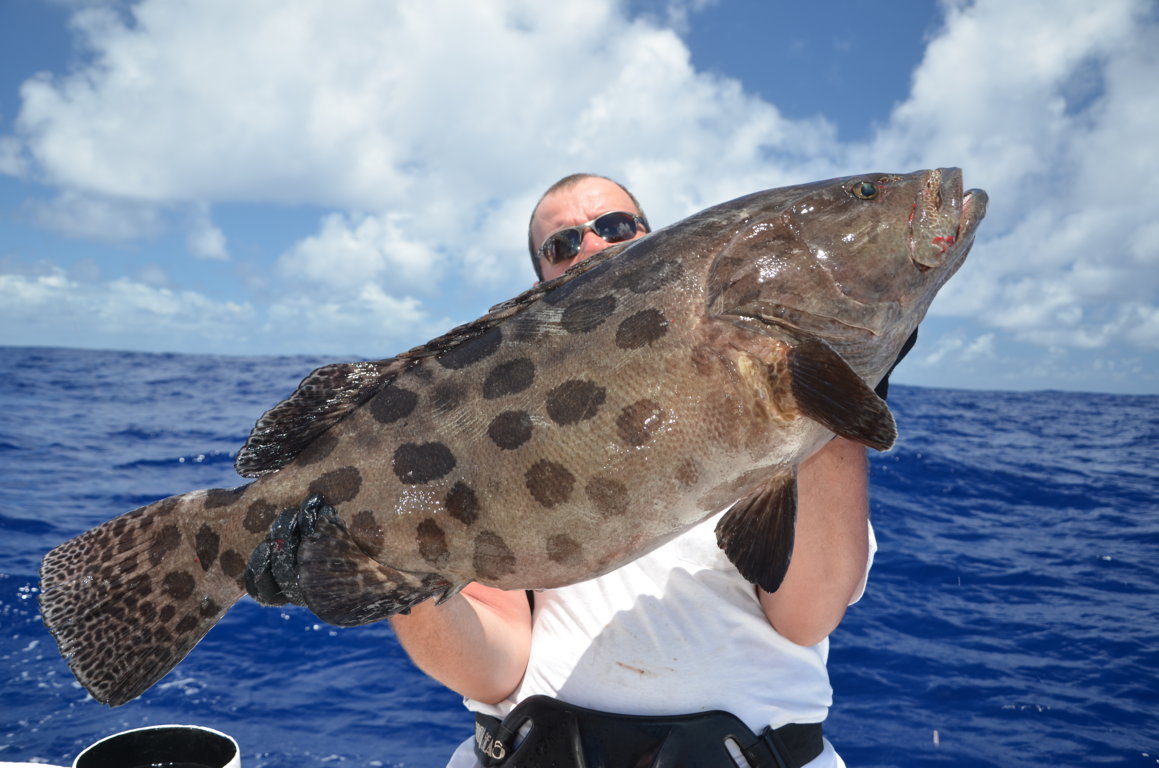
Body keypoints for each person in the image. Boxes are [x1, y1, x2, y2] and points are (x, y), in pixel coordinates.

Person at [389, 174, 881, 768]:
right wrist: (394, 573)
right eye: (561, 245)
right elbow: (494, 669)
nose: (592, 246)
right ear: (540, 286)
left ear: (660, 242)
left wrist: (837, 402)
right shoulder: (494, 438)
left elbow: (806, 617)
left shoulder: (767, 403)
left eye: (616, 227)